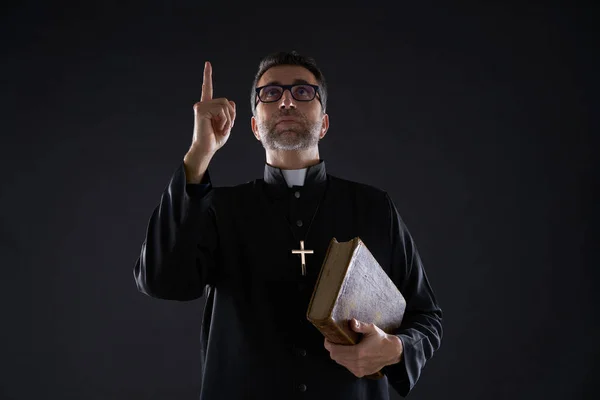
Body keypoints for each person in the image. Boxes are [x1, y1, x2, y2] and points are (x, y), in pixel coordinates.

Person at [133, 51, 443, 399]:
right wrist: (198, 154)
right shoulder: (218, 209)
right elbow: (162, 281)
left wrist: (397, 349)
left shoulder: (374, 207)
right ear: (253, 125)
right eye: (270, 93)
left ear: (324, 122)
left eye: (302, 92)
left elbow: (426, 317)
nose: (285, 101)